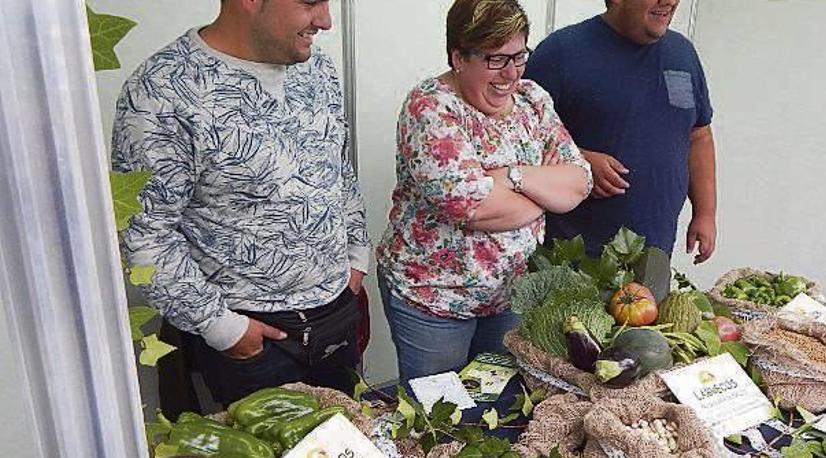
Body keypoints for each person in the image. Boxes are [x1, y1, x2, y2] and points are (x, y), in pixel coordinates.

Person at [111, 0, 369, 408]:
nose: (325, 21)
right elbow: (146, 233)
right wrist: (221, 328)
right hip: (252, 337)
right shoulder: (163, 91)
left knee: (350, 452)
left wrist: (356, 254)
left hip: (335, 312)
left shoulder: (315, 69)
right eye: (310, 3)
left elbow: (337, 167)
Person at [376, 0, 592, 381]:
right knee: (438, 415)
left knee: (495, 408)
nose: (510, 73)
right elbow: (474, 208)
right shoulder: (430, 108)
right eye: (495, 59)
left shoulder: (532, 100)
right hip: (434, 300)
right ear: (458, 57)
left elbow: (579, 182)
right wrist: (544, 196)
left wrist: (512, 176)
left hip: (509, 296)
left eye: (519, 56)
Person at [525, 0, 717, 263]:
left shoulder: (682, 53)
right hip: (574, 259)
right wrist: (577, 162)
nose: (670, 1)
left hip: (653, 256)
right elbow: (517, 141)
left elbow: (699, 136)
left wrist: (705, 214)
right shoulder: (560, 53)